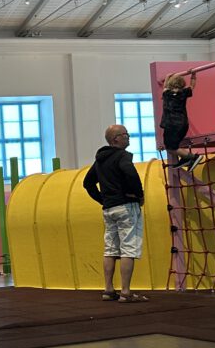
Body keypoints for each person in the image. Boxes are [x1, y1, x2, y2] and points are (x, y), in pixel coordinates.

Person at [83, 124, 149, 303]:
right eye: (125, 134)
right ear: (116, 139)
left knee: (110, 249)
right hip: (126, 207)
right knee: (129, 248)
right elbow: (131, 174)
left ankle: (108, 289)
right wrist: (139, 195)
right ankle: (125, 292)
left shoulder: (100, 160)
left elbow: (87, 183)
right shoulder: (122, 156)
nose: (128, 137)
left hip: (109, 209)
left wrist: (103, 200)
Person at [161, 71, 202, 171]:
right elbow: (192, 86)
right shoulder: (183, 93)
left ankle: (193, 157)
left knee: (170, 147)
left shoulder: (167, 94)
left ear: (170, 84)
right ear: (182, 84)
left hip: (171, 125)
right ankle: (185, 158)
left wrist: (167, 76)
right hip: (183, 124)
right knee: (173, 144)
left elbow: (165, 86)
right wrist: (193, 75)